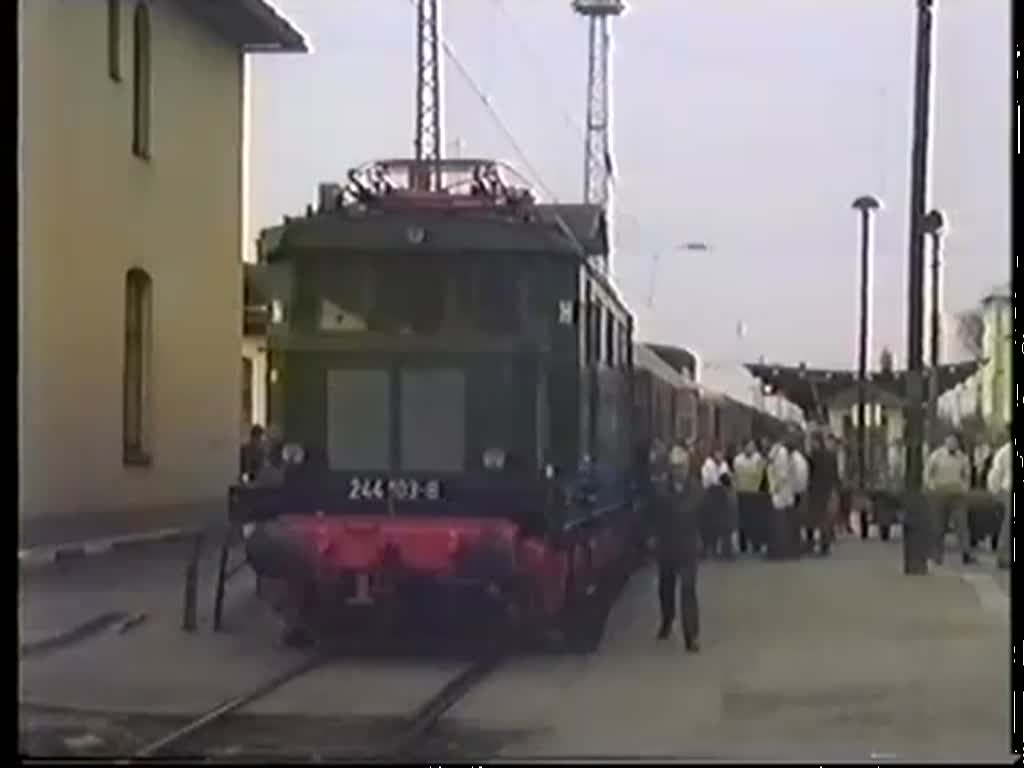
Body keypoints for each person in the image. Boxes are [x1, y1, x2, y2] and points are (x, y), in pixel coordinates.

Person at [653, 441, 700, 651]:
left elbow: (704, 516)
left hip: (689, 546)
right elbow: (654, 516)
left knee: (688, 590)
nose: (679, 471)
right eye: (676, 468)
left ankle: (691, 636)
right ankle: (667, 618)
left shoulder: (696, 489)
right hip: (667, 545)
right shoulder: (661, 489)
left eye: (682, 467)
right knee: (666, 587)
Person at [924, 434, 974, 565]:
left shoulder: (962, 457)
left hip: (957, 493)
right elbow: (928, 472)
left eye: (955, 442)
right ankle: (936, 555)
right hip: (939, 492)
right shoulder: (937, 456)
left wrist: (964, 488)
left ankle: (966, 553)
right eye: (950, 442)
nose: (952, 445)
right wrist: (931, 486)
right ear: (945, 443)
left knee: (961, 524)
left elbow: (967, 474)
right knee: (938, 525)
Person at [807, 433, 840, 555]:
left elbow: (810, 474)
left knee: (816, 517)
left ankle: (814, 544)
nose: (811, 444)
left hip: (816, 490)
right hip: (828, 489)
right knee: (826, 518)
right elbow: (835, 473)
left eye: (812, 442)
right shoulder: (831, 456)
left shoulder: (813, 456)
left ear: (816, 442)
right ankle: (825, 544)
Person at [701, 447, 736, 558]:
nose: (720, 456)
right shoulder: (708, 465)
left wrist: (725, 480)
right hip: (711, 496)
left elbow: (727, 479)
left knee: (724, 523)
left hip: (723, 496)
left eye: (721, 453)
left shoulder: (723, 464)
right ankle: (712, 548)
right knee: (711, 523)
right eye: (718, 453)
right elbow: (711, 481)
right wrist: (723, 480)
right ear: (713, 453)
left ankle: (726, 550)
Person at [733, 440, 767, 555]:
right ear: (744, 447)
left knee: (756, 520)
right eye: (748, 446)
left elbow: (760, 473)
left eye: (752, 446)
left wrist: (751, 473)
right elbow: (739, 474)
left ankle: (756, 544)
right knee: (743, 520)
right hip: (742, 493)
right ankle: (743, 545)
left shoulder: (758, 458)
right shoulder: (738, 459)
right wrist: (751, 473)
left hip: (755, 493)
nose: (750, 448)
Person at [766, 439, 795, 559]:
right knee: (778, 523)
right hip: (778, 492)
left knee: (779, 523)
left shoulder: (780, 452)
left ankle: (779, 551)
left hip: (780, 493)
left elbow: (782, 474)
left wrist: (775, 486)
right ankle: (778, 550)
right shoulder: (777, 451)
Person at [988, 435, 1012, 570]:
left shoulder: (1004, 451)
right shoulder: (1005, 451)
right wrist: (996, 491)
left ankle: (1003, 557)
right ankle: (1003, 557)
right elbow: (996, 473)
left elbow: (995, 473)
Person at [788, 435, 810, 556]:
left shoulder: (794, 460)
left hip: (795, 492)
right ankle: (797, 541)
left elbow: (793, 477)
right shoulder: (800, 459)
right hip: (800, 491)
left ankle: (795, 543)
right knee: (798, 518)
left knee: (794, 519)